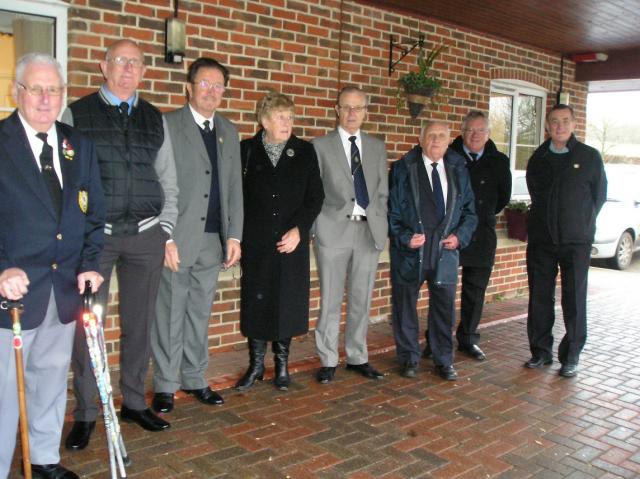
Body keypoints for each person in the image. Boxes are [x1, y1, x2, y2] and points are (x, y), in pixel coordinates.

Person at [63, 39, 179, 449]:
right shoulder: (77, 113)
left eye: (135, 63)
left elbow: (168, 180)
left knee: (140, 325)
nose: (127, 69)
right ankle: (88, 413)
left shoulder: (154, 118)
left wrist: (165, 230)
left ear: (143, 71)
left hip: (146, 237)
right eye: (119, 62)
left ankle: (132, 402)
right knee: (87, 330)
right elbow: (66, 181)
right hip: (97, 241)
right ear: (103, 66)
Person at [0, 52, 104, 479]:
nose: (46, 99)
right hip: (14, 297)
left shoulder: (78, 145)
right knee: (5, 392)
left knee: (48, 381)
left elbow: (95, 214)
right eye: (36, 88)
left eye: (54, 90)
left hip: (62, 292)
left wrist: (91, 263)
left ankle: (42, 459)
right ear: (16, 92)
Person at [150, 57, 243, 414]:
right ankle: (165, 384)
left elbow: (234, 187)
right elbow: (157, 183)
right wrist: (165, 236)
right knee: (170, 311)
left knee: (199, 311)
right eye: (204, 84)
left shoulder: (228, 131)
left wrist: (234, 235)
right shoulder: (169, 124)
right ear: (189, 87)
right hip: (178, 236)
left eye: (218, 85)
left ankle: (194, 377)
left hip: (212, 239)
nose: (211, 91)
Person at [235, 91, 323, 391]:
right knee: (256, 302)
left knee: (286, 302)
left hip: (291, 243)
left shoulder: (304, 152)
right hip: (256, 243)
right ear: (264, 121)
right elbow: (236, 198)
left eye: (290, 117)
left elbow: (316, 197)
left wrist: (300, 229)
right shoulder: (246, 151)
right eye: (280, 117)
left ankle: (282, 366)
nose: (287, 123)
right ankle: (257, 365)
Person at [388, 121, 477, 380]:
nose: (436, 140)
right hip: (411, 253)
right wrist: (405, 237)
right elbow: (390, 212)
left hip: (445, 252)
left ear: (450, 140)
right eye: (431, 135)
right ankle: (408, 359)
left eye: (441, 136)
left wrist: (460, 237)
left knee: (444, 309)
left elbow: (470, 212)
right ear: (421, 138)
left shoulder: (459, 169)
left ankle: (443, 360)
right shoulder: (404, 168)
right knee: (405, 307)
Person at [312, 86, 389, 384]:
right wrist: (317, 227)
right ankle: (328, 358)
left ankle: (357, 356)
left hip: (367, 231)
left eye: (358, 108)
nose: (352, 113)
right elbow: (314, 192)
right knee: (330, 298)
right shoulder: (320, 146)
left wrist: (379, 224)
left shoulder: (377, 147)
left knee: (361, 297)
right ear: (337, 109)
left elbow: (382, 191)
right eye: (346, 107)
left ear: (366, 112)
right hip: (333, 232)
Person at [525, 104, 606, 378]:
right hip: (542, 242)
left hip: (576, 243)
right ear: (547, 126)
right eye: (554, 122)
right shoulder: (538, 158)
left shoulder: (589, 157)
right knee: (539, 299)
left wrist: (581, 224)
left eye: (565, 121)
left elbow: (598, 197)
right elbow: (535, 195)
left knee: (574, 300)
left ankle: (571, 356)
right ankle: (540, 352)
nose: (559, 126)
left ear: (574, 124)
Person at [450, 111, 511, 361]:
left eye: (480, 130)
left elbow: (502, 198)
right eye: (469, 130)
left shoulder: (499, 161)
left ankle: (468, 339)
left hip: (482, 233)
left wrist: (481, 213)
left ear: (488, 134)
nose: (474, 135)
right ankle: (437, 337)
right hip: (451, 233)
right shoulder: (448, 156)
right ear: (462, 132)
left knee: (475, 291)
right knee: (442, 287)